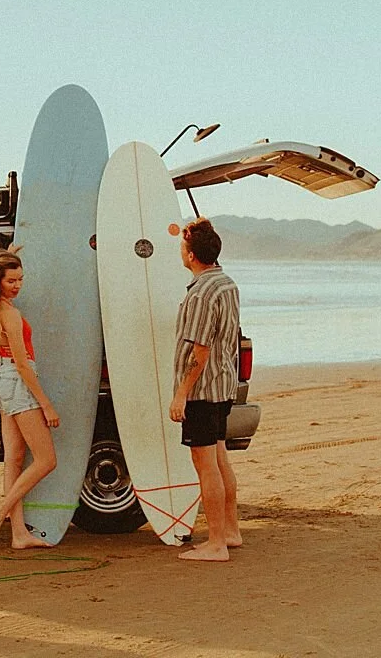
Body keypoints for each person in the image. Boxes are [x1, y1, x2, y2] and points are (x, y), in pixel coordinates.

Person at [0, 248, 59, 548]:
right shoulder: (9, 313)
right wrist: (46, 405)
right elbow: (23, 365)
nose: (17, 285)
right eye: (11, 281)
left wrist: (6, 256)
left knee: (14, 460)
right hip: (19, 381)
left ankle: (19, 534)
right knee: (46, 460)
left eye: (20, 279)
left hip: (5, 381)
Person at [168, 217, 243, 561]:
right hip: (223, 384)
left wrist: (181, 393)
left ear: (191, 255)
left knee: (205, 465)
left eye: (182, 247)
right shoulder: (227, 284)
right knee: (220, 459)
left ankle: (215, 544)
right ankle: (230, 531)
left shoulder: (200, 294)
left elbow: (199, 352)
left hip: (202, 390)